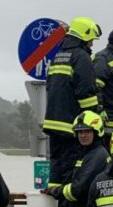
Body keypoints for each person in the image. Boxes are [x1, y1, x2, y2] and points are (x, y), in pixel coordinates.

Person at [43, 17, 102, 189]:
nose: (91, 44)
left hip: (53, 122)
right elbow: (86, 92)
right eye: (91, 40)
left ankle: (54, 199)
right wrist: (93, 118)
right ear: (84, 36)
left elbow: (51, 87)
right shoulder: (81, 57)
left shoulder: (58, 56)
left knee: (56, 165)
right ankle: (66, 205)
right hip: (72, 124)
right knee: (72, 166)